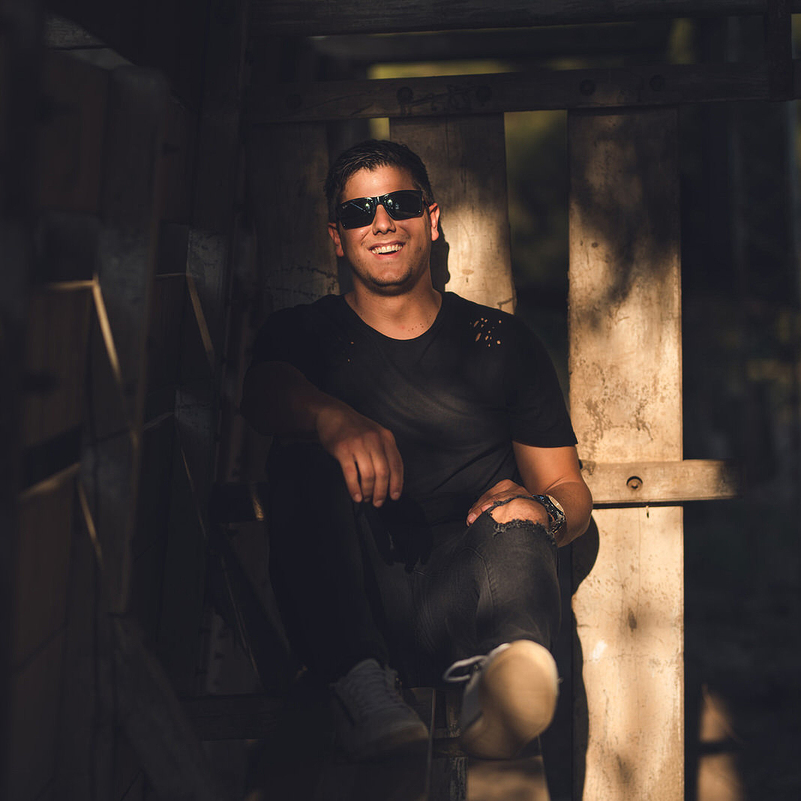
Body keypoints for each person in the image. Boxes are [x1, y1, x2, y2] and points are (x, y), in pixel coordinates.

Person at [240, 140, 592, 761]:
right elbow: (262, 395)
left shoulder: (501, 343)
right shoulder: (302, 335)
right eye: (359, 212)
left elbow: (568, 490)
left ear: (430, 220)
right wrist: (330, 417)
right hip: (348, 598)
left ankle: (503, 684)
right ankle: (361, 688)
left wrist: (545, 511)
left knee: (519, 522)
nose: (381, 222)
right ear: (337, 236)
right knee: (300, 459)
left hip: (460, 605)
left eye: (399, 204)